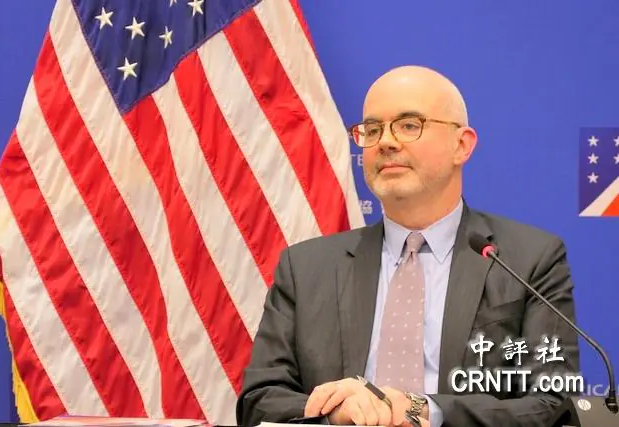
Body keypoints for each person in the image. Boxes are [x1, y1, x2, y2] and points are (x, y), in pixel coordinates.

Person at [236, 65, 580, 427]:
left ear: (461, 145)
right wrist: (335, 412)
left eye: (409, 125)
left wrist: (422, 409)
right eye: (372, 130)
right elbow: (259, 400)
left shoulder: (529, 260)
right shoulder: (306, 267)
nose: (385, 142)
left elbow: (552, 404)